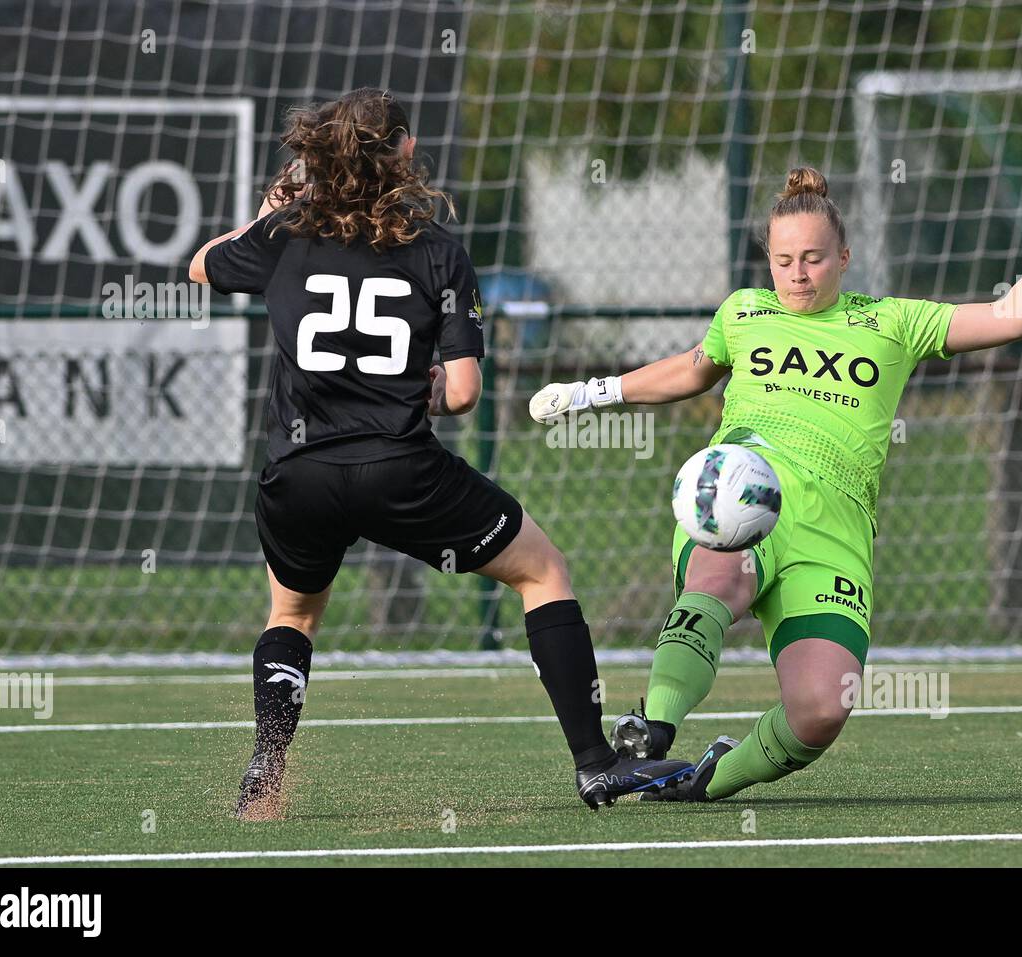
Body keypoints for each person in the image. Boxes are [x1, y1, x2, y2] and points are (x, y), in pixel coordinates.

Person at [529, 163, 1022, 800]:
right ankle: (649, 737)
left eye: (812, 258)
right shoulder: (744, 313)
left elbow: (1010, 317)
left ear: (844, 256)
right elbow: (693, 370)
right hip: (743, 486)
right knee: (717, 579)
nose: (797, 274)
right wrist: (592, 393)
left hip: (834, 527)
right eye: (783, 261)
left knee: (821, 710)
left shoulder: (893, 321)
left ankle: (701, 783)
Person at [188, 88, 692, 819]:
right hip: (400, 470)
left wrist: (276, 208)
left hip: (299, 472)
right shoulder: (439, 254)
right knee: (542, 570)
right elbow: (461, 394)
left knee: (292, 614)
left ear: (323, 157)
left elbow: (201, 266)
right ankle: (595, 762)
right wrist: (414, 387)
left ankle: (266, 770)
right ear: (406, 154)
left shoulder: (287, 234)